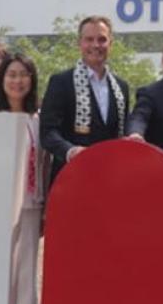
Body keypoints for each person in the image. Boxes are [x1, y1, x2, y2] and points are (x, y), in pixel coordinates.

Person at [0, 53, 47, 304]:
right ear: (1, 80)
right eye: (11, 74)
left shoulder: (40, 120)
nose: (17, 80)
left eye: (24, 74)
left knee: (26, 279)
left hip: (31, 206)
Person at [40, 15, 130, 183]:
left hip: (109, 178)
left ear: (111, 43)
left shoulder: (121, 87)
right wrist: (70, 151)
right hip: (71, 178)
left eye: (102, 39)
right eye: (89, 39)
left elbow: (121, 134)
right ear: (79, 43)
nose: (96, 45)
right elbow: (47, 133)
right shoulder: (61, 82)